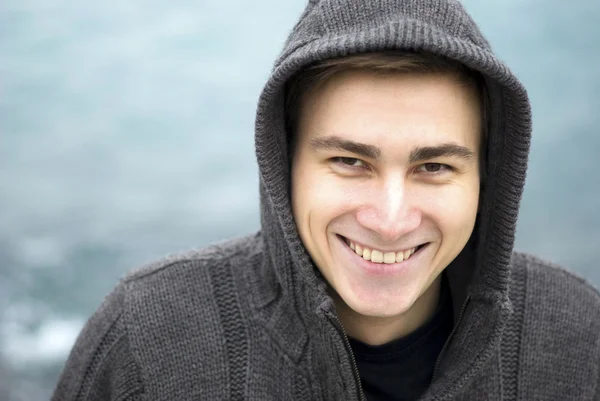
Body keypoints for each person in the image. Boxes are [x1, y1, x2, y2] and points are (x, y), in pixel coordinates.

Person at [52, 0, 600, 400]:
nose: (389, 220)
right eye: (349, 161)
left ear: (488, 177)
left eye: (434, 167)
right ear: (282, 163)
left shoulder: (577, 334)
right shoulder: (149, 334)